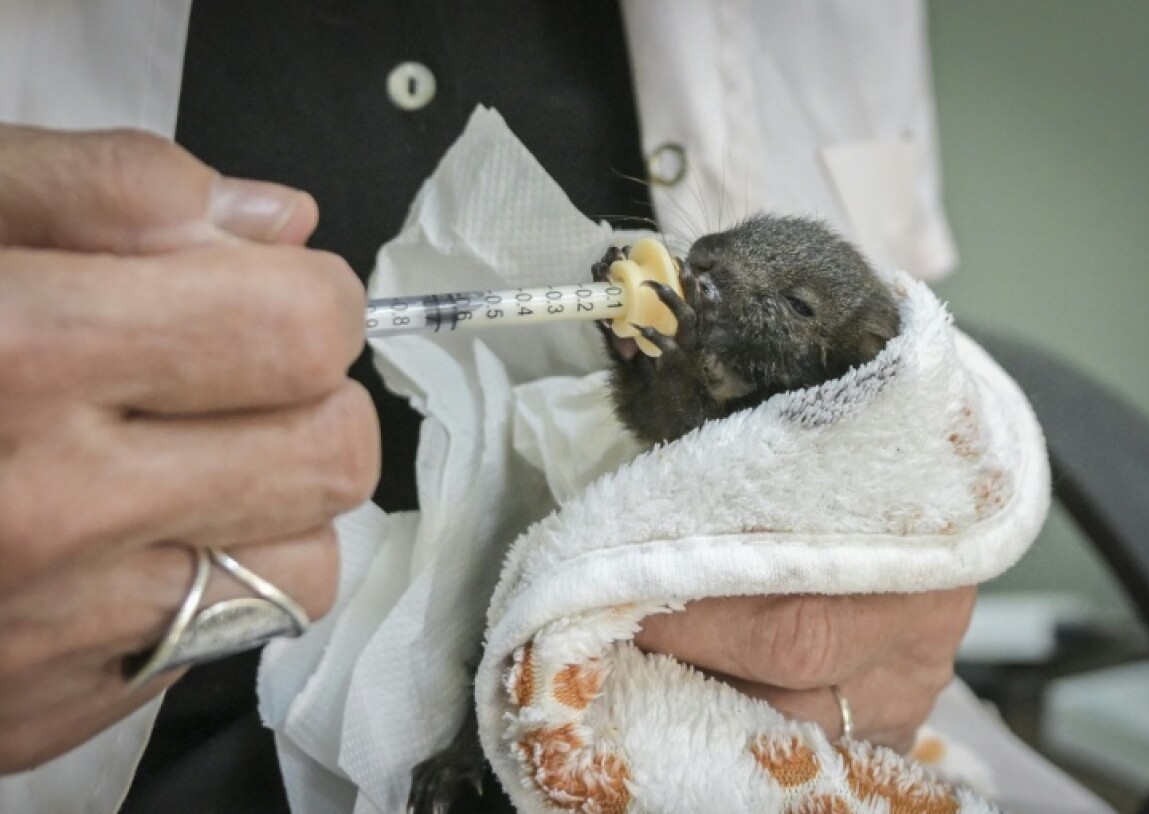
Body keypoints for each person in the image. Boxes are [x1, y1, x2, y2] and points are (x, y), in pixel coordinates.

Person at [1, 2, 995, 812]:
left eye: (793, 304)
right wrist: (637, 343)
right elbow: (659, 418)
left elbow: (919, 361)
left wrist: (946, 547)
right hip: (156, 721)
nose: (712, 275)